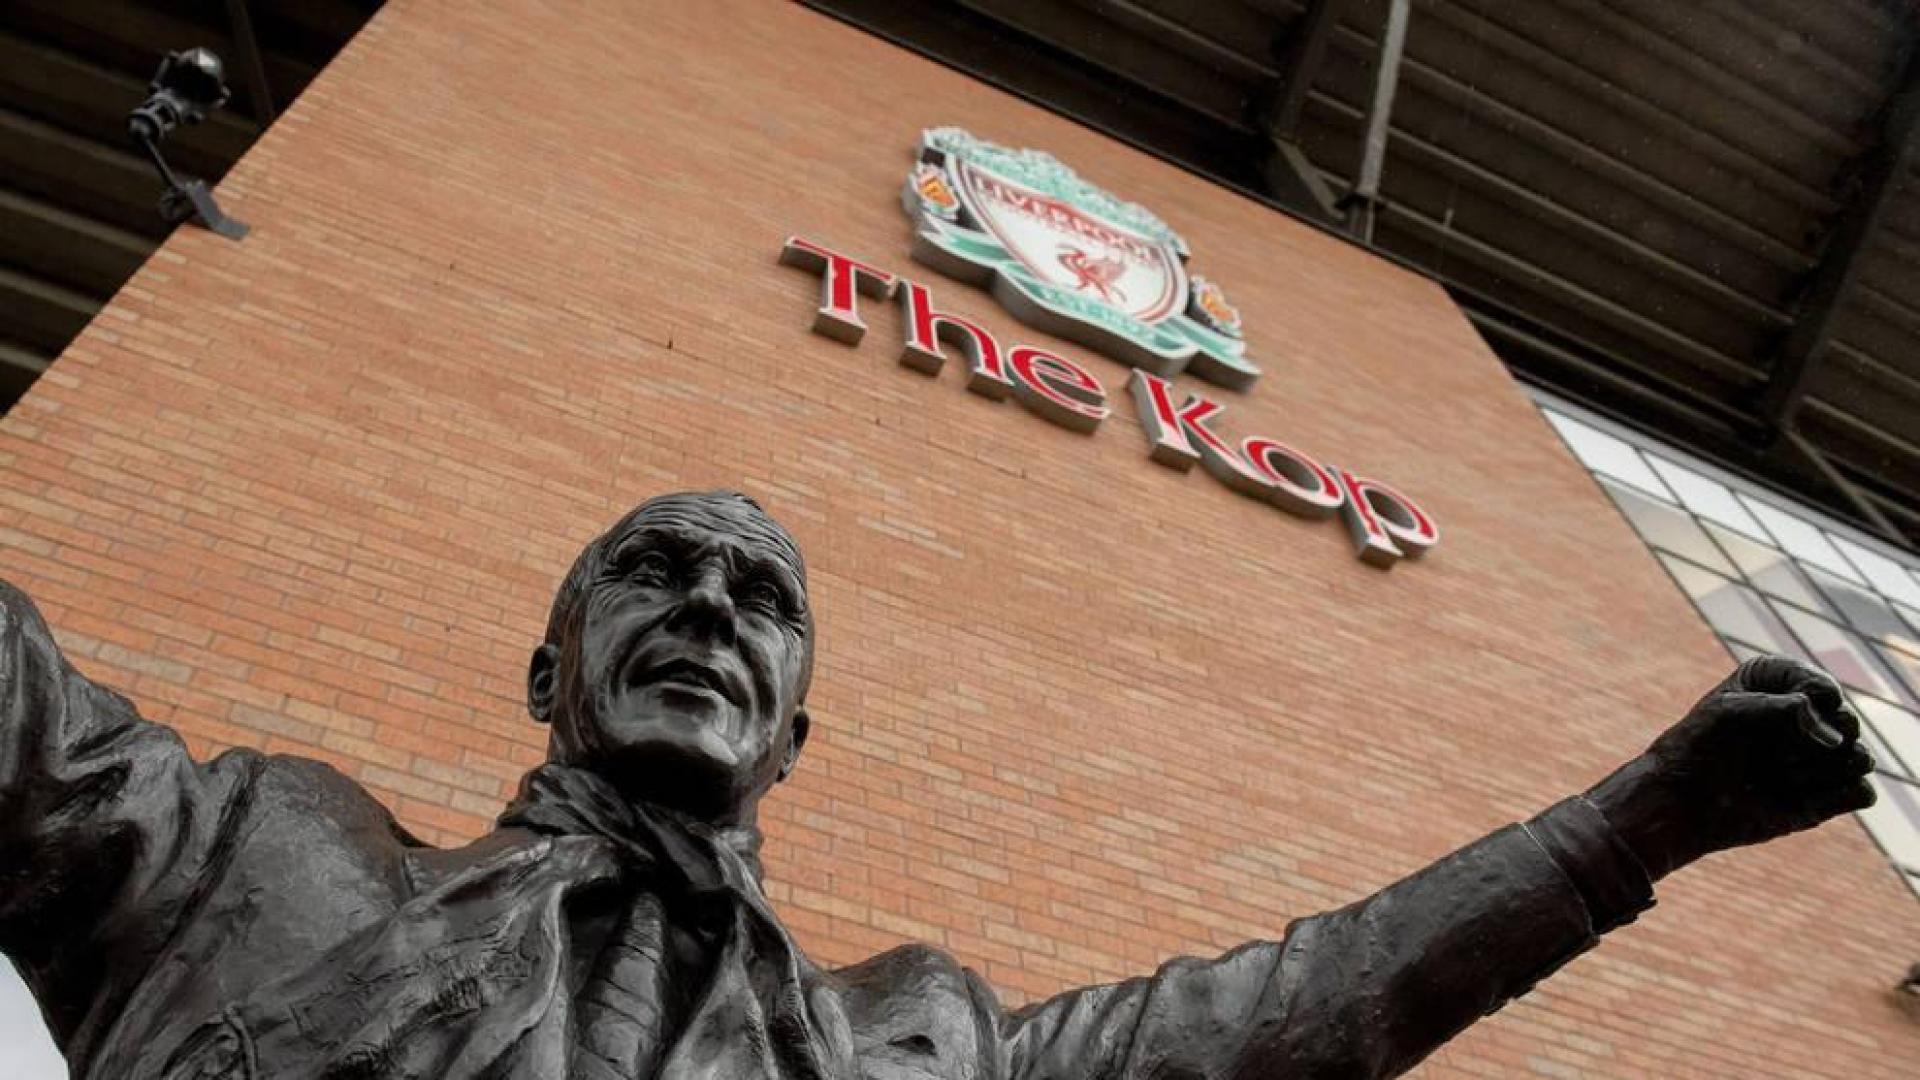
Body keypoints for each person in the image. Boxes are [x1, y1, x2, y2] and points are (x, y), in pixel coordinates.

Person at [0, 490, 1876, 1079]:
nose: (710, 607)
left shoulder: (919, 1046)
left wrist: (1634, 826)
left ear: (794, 734)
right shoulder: (257, 847)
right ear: (547, 670)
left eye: (762, 600)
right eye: (656, 571)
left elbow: (1286, 1014)